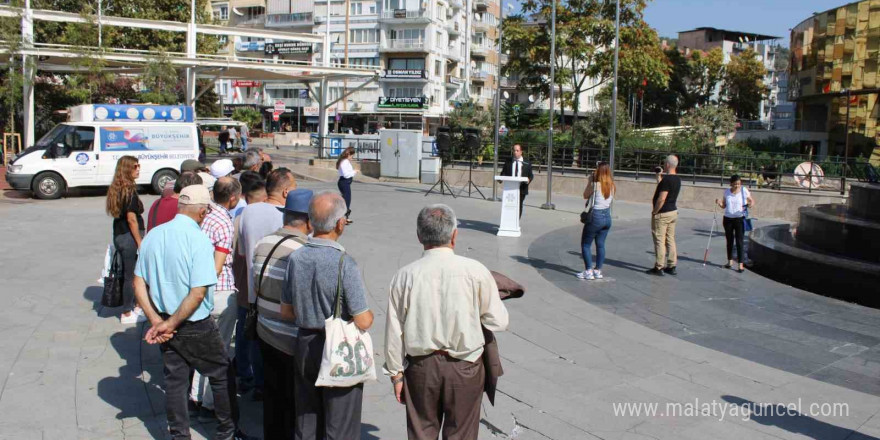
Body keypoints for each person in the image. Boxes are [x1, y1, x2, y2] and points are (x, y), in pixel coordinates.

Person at [385, 204, 509, 440]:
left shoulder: (404, 275)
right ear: (454, 235)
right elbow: (498, 321)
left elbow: (394, 331)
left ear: (419, 236)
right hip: (465, 366)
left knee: (421, 433)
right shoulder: (476, 271)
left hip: (421, 368)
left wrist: (396, 375)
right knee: (461, 434)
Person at [133, 185, 242, 440]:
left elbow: (138, 282)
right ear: (203, 212)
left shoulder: (154, 235)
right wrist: (168, 324)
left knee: (175, 380)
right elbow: (198, 293)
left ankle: (179, 435)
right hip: (192, 322)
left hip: (164, 317)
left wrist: (157, 320)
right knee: (221, 373)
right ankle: (227, 433)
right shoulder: (199, 241)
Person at [283, 191, 373, 440]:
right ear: (340, 224)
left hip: (304, 343)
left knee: (307, 417)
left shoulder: (296, 258)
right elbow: (363, 319)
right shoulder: (344, 263)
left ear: (311, 222)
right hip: (336, 348)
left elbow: (286, 310)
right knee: (340, 423)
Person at [253, 189, 313, 440]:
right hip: (290, 338)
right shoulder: (304, 250)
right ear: (310, 221)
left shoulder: (263, 242)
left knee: (273, 398)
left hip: (264, 331)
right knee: (294, 403)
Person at [236, 168, 296, 399]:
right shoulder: (285, 216)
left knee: (253, 339)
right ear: (286, 191)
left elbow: (242, 251)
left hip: (252, 290)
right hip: (278, 293)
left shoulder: (247, 212)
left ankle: (258, 384)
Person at [190, 177, 243, 421]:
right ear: (233, 198)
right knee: (220, 352)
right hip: (219, 293)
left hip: (199, 293)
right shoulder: (224, 222)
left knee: (204, 349)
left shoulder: (205, 215)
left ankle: (197, 397)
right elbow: (217, 267)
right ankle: (211, 405)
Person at [106, 156, 146, 324]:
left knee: (128, 273)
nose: (139, 169)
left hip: (119, 234)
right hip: (129, 237)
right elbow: (132, 219)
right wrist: (139, 242)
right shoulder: (129, 191)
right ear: (127, 169)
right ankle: (127, 312)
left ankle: (135, 306)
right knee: (132, 275)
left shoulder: (117, 188)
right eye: (135, 166)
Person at [577, 162, 615, 280]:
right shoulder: (612, 185)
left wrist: (590, 181)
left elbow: (584, 195)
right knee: (600, 245)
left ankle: (588, 271)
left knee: (586, 244)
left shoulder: (595, 185)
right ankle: (598, 270)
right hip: (607, 217)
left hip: (596, 217)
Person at [647, 155, 682, 276]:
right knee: (670, 239)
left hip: (663, 213)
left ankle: (659, 266)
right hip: (673, 212)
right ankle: (672, 265)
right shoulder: (677, 179)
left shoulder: (667, 180)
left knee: (659, 240)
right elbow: (664, 186)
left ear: (667, 164)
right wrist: (659, 176)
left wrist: (655, 211)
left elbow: (662, 198)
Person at [716, 175, 755, 273]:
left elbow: (752, 201)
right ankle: (729, 262)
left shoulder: (744, 190)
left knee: (739, 241)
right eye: (735, 184)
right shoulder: (727, 192)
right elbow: (724, 205)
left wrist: (750, 204)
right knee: (729, 241)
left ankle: (740, 264)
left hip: (739, 219)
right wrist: (719, 202)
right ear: (731, 184)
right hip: (728, 219)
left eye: (738, 184)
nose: (737, 186)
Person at [500, 144, 534, 218]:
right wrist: (500, 179)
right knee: (509, 205)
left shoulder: (527, 163)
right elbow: (503, 172)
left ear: (521, 152)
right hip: (510, 188)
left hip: (521, 188)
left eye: (517, 150)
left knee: (519, 204)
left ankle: (516, 222)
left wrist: (528, 180)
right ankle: (509, 221)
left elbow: (531, 175)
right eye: (514, 150)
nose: (515, 152)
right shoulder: (508, 161)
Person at [336, 146, 357, 224]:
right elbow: (345, 174)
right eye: (352, 156)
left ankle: (345, 217)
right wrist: (354, 172)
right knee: (346, 200)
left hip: (346, 182)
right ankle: (342, 218)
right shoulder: (344, 162)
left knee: (346, 200)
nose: (352, 158)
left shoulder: (346, 161)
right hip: (344, 182)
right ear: (348, 154)